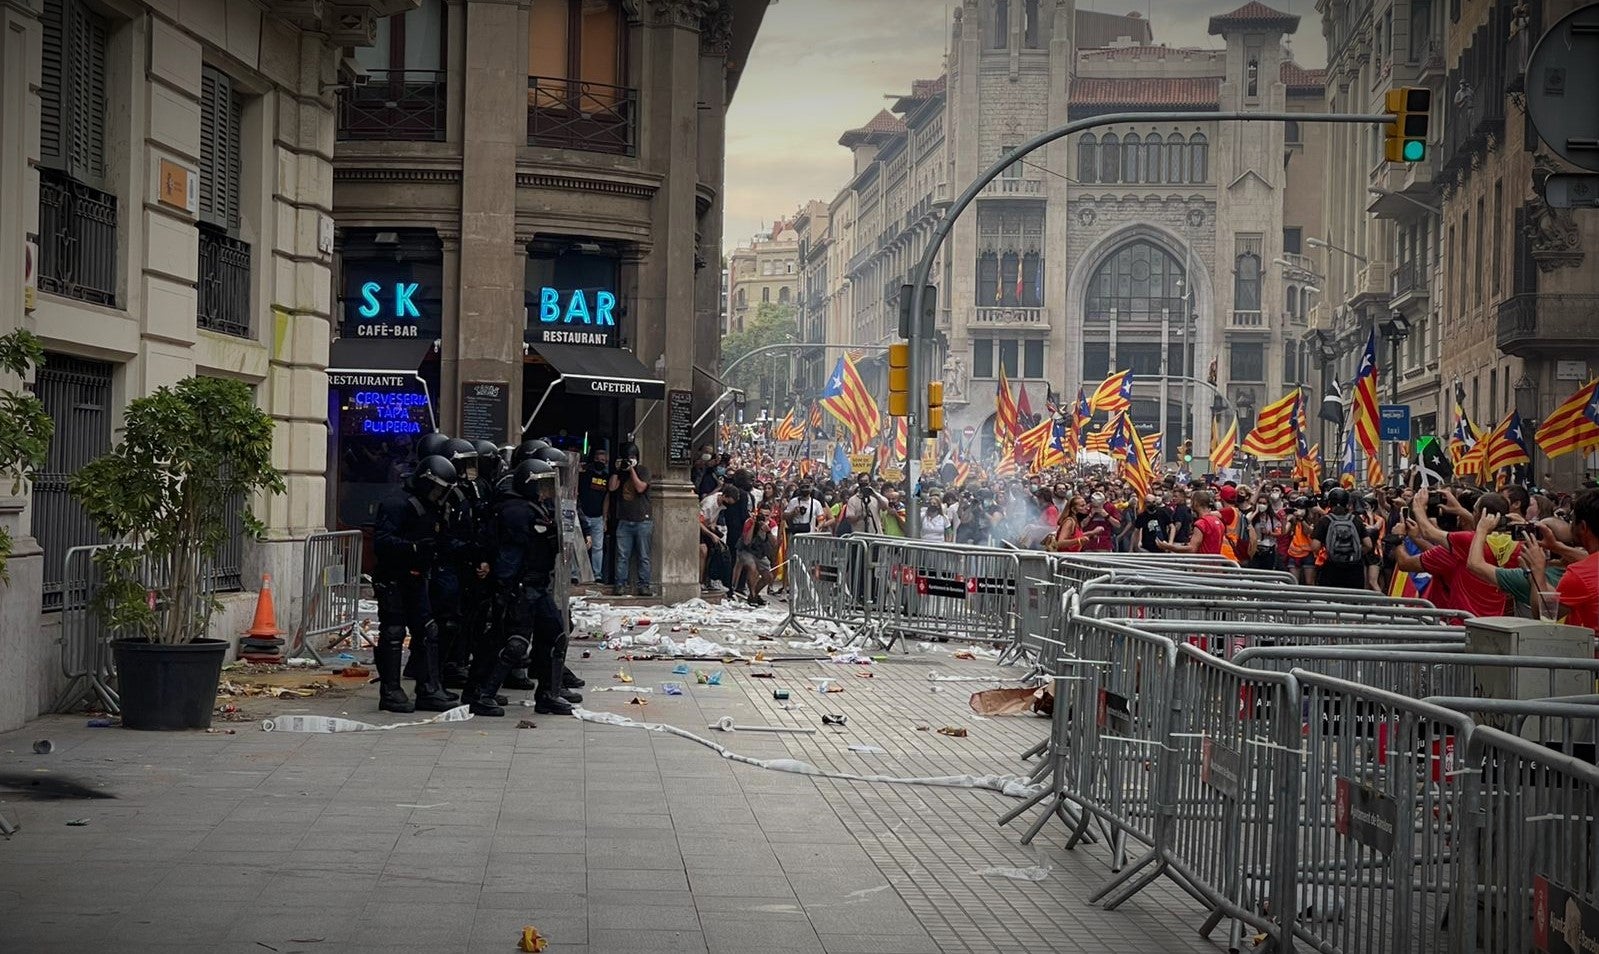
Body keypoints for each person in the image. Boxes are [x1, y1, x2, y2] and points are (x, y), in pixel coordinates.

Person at [466, 459, 574, 717]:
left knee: (556, 634)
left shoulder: (535, 507)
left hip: (539, 583)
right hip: (521, 585)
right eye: (542, 484)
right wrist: (509, 588)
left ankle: (549, 693)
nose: (546, 491)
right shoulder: (515, 511)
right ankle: (483, 694)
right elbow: (510, 555)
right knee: (515, 643)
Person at [372, 455, 458, 714]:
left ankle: (429, 689)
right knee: (393, 632)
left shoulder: (430, 506)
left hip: (418, 576)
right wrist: (412, 548)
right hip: (394, 577)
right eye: (436, 488)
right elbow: (382, 541)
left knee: (428, 631)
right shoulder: (396, 504)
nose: (438, 494)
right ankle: (390, 691)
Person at [1551, 489, 1598, 636]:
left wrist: (1536, 571)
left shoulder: (1579, 574)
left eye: (1572, 520)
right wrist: (1557, 547)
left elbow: (1548, 615)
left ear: (1583, 526)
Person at [609, 444, 653, 597]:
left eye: (633, 458)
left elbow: (641, 488)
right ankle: (620, 584)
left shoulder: (643, 471)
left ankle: (644, 585)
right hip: (624, 520)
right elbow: (612, 488)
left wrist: (631, 470)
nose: (630, 461)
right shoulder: (621, 472)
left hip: (642, 520)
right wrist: (617, 470)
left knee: (644, 555)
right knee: (622, 555)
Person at [1309, 488, 1371, 589]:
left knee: (1330, 601)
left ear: (1329, 503)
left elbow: (1315, 547)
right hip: (1354, 569)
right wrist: (1355, 552)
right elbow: (1368, 545)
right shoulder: (1355, 520)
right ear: (1347, 504)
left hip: (1331, 568)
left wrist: (1331, 551)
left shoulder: (1324, 521)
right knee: (1353, 600)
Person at [578, 447, 611, 584]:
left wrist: (604, 518)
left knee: (598, 548)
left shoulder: (606, 477)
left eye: (603, 460)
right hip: (583, 515)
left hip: (597, 517)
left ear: (607, 462)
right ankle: (577, 574)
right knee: (580, 546)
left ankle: (597, 575)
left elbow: (607, 498)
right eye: (597, 459)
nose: (600, 462)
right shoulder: (586, 474)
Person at [1159, 489, 1224, 555]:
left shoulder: (1201, 524)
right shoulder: (1218, 521)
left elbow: (1192, 549)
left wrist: (1169, 547)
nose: (1190, 504)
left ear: (1196, 503)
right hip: (1216, 562)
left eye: (1191, 500)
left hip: (1202, 563)